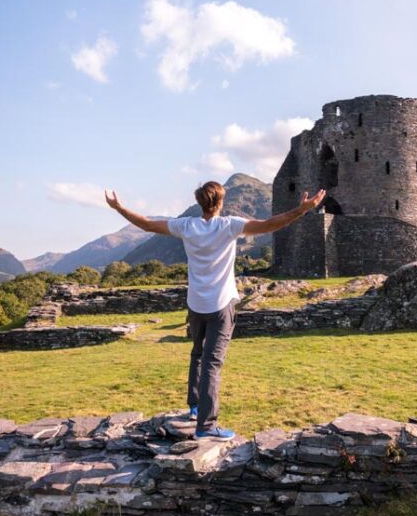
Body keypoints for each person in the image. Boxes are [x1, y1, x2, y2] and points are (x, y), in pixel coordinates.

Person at [104, 181, 326, 439]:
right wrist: (302, 210)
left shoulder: (186, 226)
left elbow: (146, 224)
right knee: (212, 363)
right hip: (221, 305)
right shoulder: (229, 225)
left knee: (198, 354)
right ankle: (206, 427)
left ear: (200, 203)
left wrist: (119, 207)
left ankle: (196, 407)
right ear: (220, 202)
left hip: (196, 304)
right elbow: (270, 224)